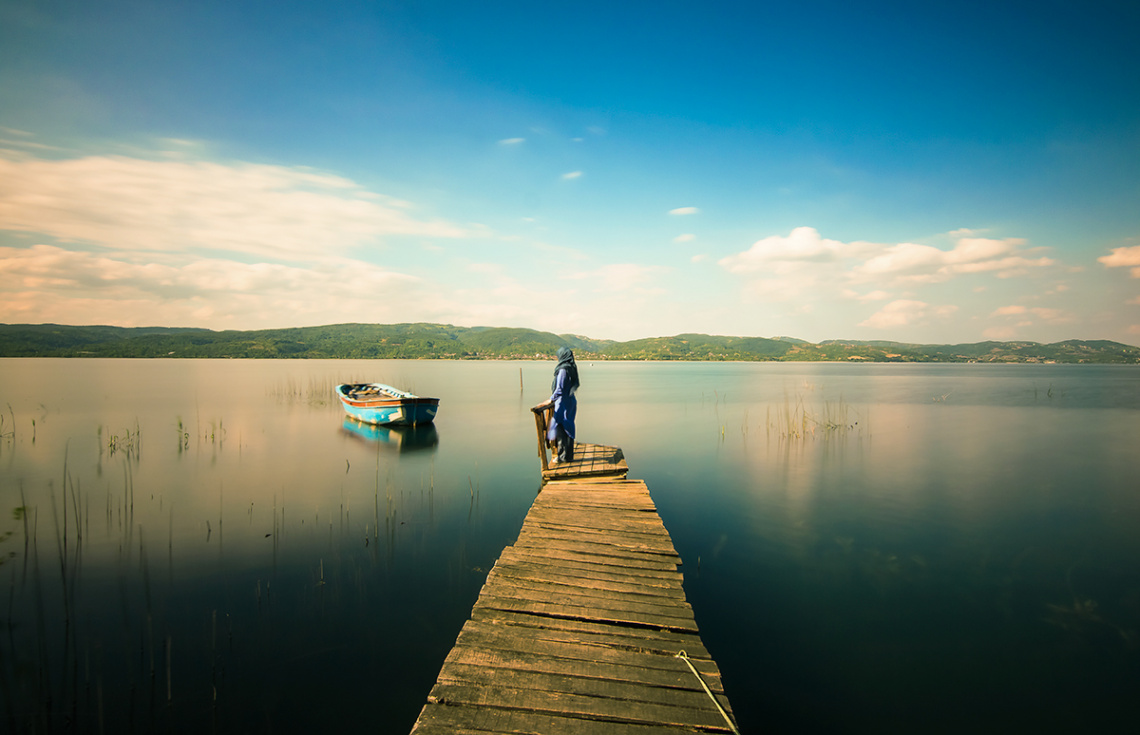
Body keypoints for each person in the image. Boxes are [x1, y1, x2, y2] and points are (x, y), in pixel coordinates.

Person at [534, 346, 579, 463]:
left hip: (562, 402)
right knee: (568, 427)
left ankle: (562, 457)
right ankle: (568, 456)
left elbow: (560, 389)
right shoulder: (571, 367)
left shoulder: (563, 369)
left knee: (560, 427)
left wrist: (550, 400)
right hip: (570, 401)